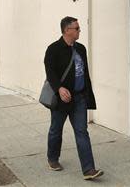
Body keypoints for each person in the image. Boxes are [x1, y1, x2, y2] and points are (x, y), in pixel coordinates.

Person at [44, 16, 103, 180]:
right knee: (56, 130)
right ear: (66, 30)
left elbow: (85, 73)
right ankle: (52, 158)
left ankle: (89, 169)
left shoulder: (81, 49)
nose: (79, 31)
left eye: (79, 28)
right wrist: (59, 88)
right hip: (62, 99)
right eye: (76, 28)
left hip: (79, 98)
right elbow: (50, 72)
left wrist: (87, 94)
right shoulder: (53, 49)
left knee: (82, 132)